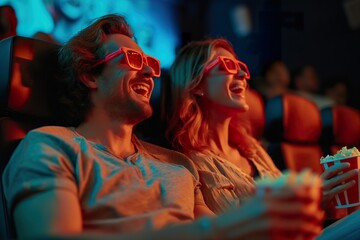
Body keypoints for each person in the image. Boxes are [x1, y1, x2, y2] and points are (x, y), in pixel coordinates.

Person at [2, 15, 323, 239]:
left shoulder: (178, 164)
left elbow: (219, 229)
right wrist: (225, 229)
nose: (149, 74)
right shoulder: (50, 145)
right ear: (89, 75)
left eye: (150, 65)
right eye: (131, 60)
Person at [165, 38, 358, 218]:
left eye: (241, 67)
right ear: (197, 84)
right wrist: (310, 203)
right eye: (228, 66)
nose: (242, 74)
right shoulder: (191, 164)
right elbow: (236, 231)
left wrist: (323, 192)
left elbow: (288, 198)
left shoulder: (250, 147)